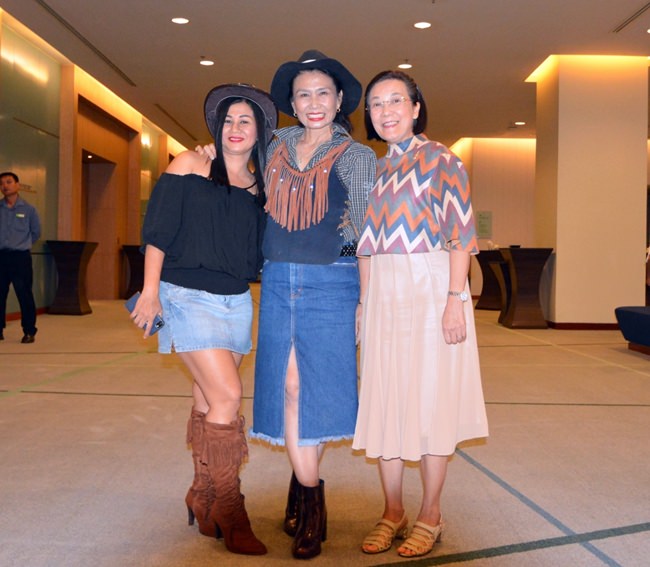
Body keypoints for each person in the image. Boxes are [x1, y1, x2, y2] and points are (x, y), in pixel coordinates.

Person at [129, 83, 277, 556]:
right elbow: (158, 229)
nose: (235, 128)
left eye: (245, 121)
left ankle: (202, 492)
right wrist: (150, 291)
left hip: (236, 301)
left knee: (209, 397)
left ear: (259, 132)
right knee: (229, 396)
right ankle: (230, 509)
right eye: (228, 120)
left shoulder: (261, 187)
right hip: (185, 295)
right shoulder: (189, 164)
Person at [352, 70, 489, 558]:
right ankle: (393, 511)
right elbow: (363, 246)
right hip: (384, 293)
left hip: (431, 287)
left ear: (415, 108)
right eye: (376, 104)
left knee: (432, 402)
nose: (385, 111)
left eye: (395, 101)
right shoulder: (373, 171)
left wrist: (455, 299)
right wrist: (364, 301)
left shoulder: (442, 160)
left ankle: (431, 514)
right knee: (387, 397)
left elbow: (460, 236)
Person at [251, 50, 376, 560]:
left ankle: (307, 499)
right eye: (303, 94)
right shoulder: (274, 145)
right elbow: (234, 169)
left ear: (340, 99)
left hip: (333, 282)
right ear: (292, 102)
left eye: (323, 92)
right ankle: (308, 494)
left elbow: (365, 234)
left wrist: (361, 292)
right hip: (279, 280)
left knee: (314, 389)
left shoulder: (358, 157)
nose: (314, 102)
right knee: (288, 385)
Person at [0, 171, 41, 344]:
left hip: (20, 258)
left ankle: (29, 331)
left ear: (17, 185)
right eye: (2, 183)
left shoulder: (29, 209)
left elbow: (36, 232)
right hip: (1, 256)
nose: (5, 186)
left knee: (24, 294)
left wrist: (22, 244)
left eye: (9, 182)